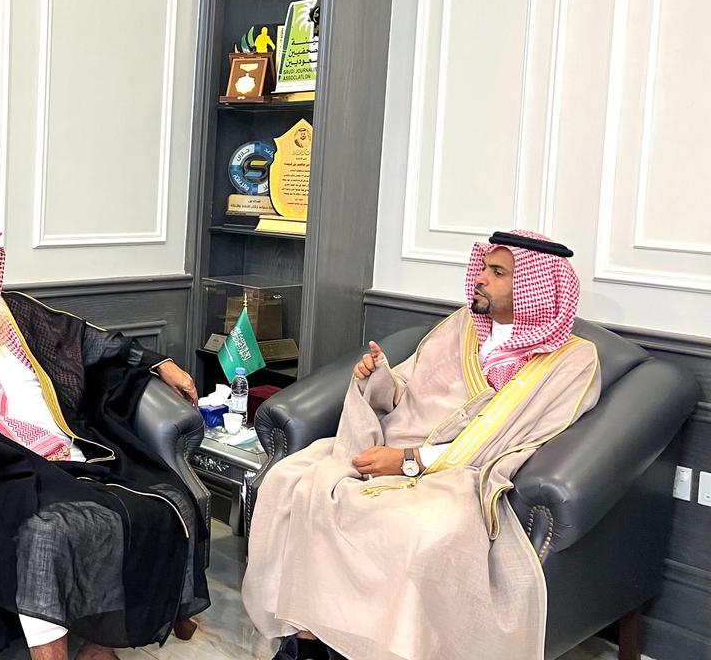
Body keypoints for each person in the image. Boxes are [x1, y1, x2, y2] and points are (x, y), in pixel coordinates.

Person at [242, 230, 600, 660]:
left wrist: (409, 462)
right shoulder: (463, 326)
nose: (480, 278)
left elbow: (513, 438)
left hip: (463, 475)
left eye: (497, 272)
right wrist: (377, 378)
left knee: (416, 529)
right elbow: (408, 389)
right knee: (291, 481)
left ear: (532, 287)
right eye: (484, 267)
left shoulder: (571, 361)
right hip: (393, 443)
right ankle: (308, 640)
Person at [0, 216, 209, 660]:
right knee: (48, 532)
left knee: (164, 502)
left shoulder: (15, 312)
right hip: (2, 465)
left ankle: (100, 643)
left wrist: (158, 363)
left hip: (69, 448)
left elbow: (86, 340)